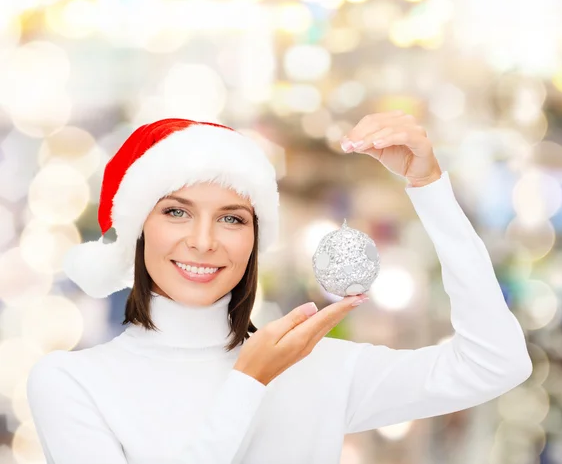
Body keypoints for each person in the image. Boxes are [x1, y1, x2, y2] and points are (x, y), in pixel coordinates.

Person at [26, 112, 533, 464]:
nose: (203, 242)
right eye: (176, 212)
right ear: (138, 229)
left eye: (231, 218)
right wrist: (249, 382)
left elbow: (496, 363)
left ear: (253, 239)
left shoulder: (315, 370)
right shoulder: (72, 383)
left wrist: (430, 190)